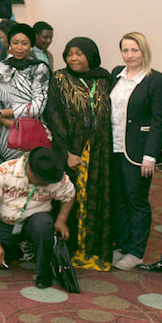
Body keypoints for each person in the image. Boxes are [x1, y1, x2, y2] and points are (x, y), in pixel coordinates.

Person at [43, 37, 113, 271]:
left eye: (79, 54)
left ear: (90, 55)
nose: (73, 58)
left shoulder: (105, 79)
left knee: (97, 197)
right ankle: (69, 250)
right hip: (72, 150)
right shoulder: (60, 79)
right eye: (69, 54)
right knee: (70, 197)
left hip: (99, 152)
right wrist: (67, 153)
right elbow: (54, 117)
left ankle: (93, 249)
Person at [104, 34, 162, 272]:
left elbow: (159, 120)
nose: (130, 55)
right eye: (125, 50)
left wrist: (151, 154)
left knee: (136, 201)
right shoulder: (116, 74)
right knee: (118, 200)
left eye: (135, 50)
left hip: (138, 152)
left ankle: (137, 251)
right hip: (114, 147)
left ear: (144, 51)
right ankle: (123, 244)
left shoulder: (157, 80)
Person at [0, 147, 73, 289]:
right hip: (6, 222)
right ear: (31, 171)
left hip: (34, 221)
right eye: (45, 181)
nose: (48, 183)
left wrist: (61, 220)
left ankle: (43, 274)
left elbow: (69, 195)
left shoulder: (53, 174)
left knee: (44, 225)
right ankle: (11, 255)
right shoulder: (5, 171)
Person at [0, 24, 50, 170]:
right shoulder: (1, 66)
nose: (19, 48)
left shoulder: (39, 68)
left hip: (25, 136)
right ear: (9, 44)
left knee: (23, 178)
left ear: (31, 45)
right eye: (15, 43)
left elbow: (37, 106)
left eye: (24, 43)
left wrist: (3, 116)